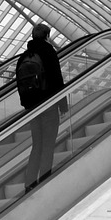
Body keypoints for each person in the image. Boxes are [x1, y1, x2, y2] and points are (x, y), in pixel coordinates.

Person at [17, 22, 67, 190]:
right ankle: (44, 182)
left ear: (33, 36)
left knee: (37, 144)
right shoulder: (48, 52)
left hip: (32, 108)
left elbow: (20, 83)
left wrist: (27, 105)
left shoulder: (24, 56)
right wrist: (63, 107)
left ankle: (29, 184)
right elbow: (57, 79)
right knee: (48, 145)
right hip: (48, 105)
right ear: (47, 36)